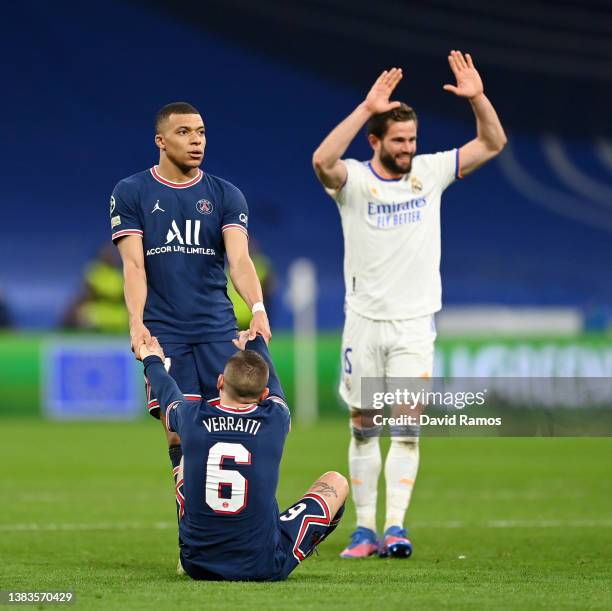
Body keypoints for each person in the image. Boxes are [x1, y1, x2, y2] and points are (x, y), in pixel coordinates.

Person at [312, 51, 507, 558]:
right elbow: (321, 161)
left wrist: (478, 97)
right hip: (364, 323)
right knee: (363, 427)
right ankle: (363, 529)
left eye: (412, 140)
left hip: (415, 324)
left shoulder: (432, 171)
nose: (407, 148)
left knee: (407, 426)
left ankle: (395, 528)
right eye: (397, 140)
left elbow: (493, 142)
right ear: (375, 141)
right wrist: (365, 107)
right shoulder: (354, 181)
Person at [110, 102, 271, 479]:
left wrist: (258, 308)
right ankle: (193, 532)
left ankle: (229, 525)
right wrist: (136, 323)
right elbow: (133, 266)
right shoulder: (132, 191)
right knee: (179, 433)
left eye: (200, 132)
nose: (196, 140)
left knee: (229, 431)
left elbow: (241, 261)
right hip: (166, 333)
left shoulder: (226, 195)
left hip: (218, 331)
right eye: (184, 132)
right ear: (160, 141)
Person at [139, 334, 348, 581]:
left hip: (197, 563)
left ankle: (192, 549)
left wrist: (151, 359)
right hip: (261, 565)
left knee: (186, 457)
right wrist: (257, 343)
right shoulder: (276, 419)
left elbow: (168, 392)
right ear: (264, 394)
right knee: (336, 482)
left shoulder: (192, 417)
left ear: (219, 382)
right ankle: (296, 547)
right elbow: (276, 389)